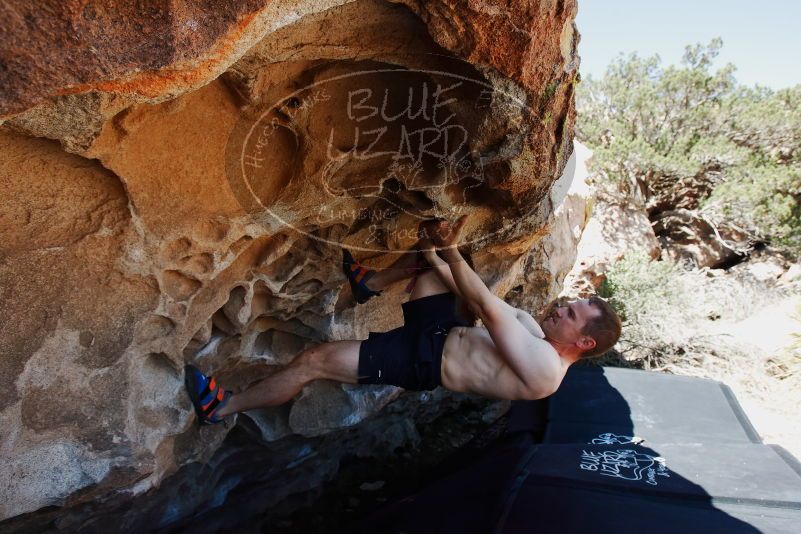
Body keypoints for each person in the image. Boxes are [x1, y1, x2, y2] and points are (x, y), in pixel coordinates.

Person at [185, 216, 622, 425]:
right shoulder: (531, 325)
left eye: (571, 315)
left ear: (583, 343)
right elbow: (481, 296)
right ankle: (368, 283)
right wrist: (435, 252)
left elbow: (487, 310)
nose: (560, 309)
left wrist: (451, 250)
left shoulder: (547, 372)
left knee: (314, 359)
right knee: (437, 270)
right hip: (439, 331)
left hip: (420, 361)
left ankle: (222, 407)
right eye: (567, 305)